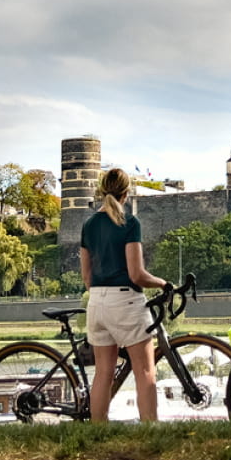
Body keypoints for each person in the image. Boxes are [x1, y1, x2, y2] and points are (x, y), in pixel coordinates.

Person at [80, 167, 171, 423]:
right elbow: (136, 274)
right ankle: (149, 430)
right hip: (126, 300)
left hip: (96, 301)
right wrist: (163, 283)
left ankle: (98, 430)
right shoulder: (129, 223)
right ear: (126, 193)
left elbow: (86, 277)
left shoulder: (88, 225)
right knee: (145, 371)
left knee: (103, 374)